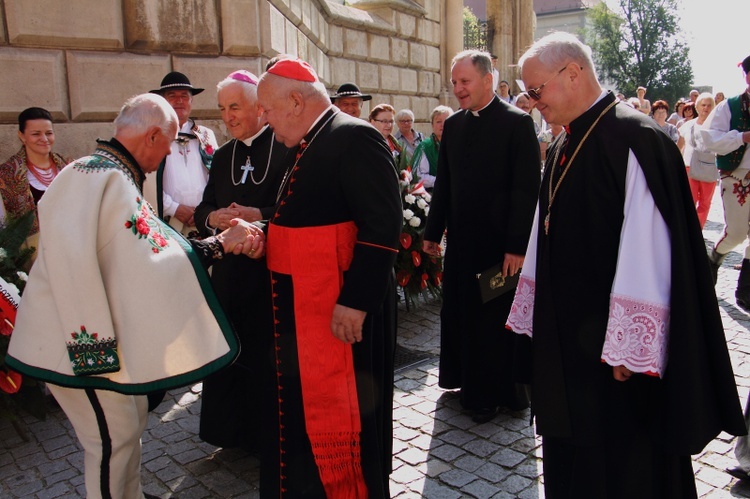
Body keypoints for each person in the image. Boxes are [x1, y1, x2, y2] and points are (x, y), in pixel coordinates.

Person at [507, 31, 745, 498]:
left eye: (536, 91)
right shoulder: (562, 143)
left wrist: (631, 348)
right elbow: (544, 229)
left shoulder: (635, 137)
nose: (532, 103)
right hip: (568, 344)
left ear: (572, 73)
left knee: (623, 465)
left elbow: (649, 248)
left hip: (614, 356)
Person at [5, 93, 266, 499]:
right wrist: (219, 245)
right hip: (79, 345)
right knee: (111, 441)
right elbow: (95, 263)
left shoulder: (105, 174)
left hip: (92, 339)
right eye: (168, 145)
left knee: (127, 427)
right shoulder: (96, 176)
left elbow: (137, 259)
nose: (165, 156)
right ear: (154, 135)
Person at [257, 59, 402, 498]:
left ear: (296, 101)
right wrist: (262, 226)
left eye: (267, 108)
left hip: (339, 311)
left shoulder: (354, 136)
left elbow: (383, 224)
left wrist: (356, 301)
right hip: (306, 309)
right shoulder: (307, 141)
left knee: (347, 418)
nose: (263, 119)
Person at [422, 50, 541, 423]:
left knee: (492, 318)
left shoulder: (517, 123)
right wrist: (432, 232)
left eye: (464, 81)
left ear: (487, 80)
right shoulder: (454, 126)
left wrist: (516, 247)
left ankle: (493, 395)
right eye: (455, 82)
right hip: (461, 246)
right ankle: (465, 382)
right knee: (460, 312)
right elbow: (445, 186)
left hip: (498, 251)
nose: (457, 89)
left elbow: (526, 189)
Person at [194, 70, 293, 451]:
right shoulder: (222, 156)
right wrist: (213, 218)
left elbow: (294, 207)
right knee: (230, 350)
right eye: (222, 109)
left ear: (258, 107)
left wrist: (258, 214)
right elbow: (204, 206)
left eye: (234, 107)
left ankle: (267, 437)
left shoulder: (285, 147)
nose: (227, 116)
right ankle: (228, 432)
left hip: (269, 273)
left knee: (267, 356)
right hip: (230, 277)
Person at [144, 71, 218, 238]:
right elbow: (147, 181)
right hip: (168, 223)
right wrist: (174, 208)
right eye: (172, 96)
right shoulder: (152, 136)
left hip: (203, 222)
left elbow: (216, 178)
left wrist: (204, 210)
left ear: (191, 101)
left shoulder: (206, 135)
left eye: (184, 96)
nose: (179, 101)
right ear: (162, 101)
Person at [703, 54, 750, 309]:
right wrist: (741, 137)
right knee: (736, 233)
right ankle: (714, 258)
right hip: (737, 177)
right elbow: (710, 140)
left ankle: (745, 290)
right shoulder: (729, 106)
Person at [0, 107, 71, 250]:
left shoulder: (70, 167)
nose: (44, 139)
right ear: (22, 136)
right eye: (36, 134)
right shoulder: (7, 174)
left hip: (71, 245)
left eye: (49, 133)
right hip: (32, 254)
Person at [679, 92, 717, 229]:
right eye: (703, 105)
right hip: (689, 166)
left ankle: (698, 229)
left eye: (709, 105)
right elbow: (680, 145)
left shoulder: (718, 126)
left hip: (709, 167)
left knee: (705, 202)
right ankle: (688, 228)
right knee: (689, 200)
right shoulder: (687, 126)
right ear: (697, 106)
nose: (706, 108)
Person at [411, 105, 452, 190]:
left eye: (446, 121)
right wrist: (441, 181)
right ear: (432, 125)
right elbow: (418, 176)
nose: (443, 125)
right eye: (438, 121)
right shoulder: (425, 146)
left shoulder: (459, 144)